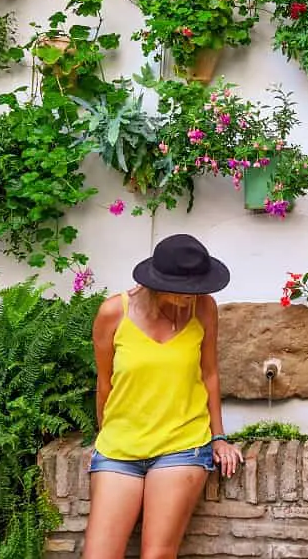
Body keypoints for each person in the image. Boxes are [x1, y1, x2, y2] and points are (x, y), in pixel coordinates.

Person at [83, 233, 245, 559]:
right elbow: (105, 383)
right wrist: (106, 435)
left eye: (198, 288)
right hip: (120, 449)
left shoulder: (204, 309)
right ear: (157, 283)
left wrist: (219, 437)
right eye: (185, 290)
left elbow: (209, 374)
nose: (193, 296)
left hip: (181, 446)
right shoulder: (113, 313)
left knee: (157, 554)